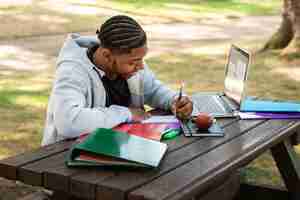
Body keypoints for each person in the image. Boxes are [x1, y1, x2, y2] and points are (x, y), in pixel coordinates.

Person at [42, 15, 193, 146]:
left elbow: (153, 90)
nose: (140, 67)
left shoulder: (129, 62)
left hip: (119, 148)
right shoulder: (72, 71)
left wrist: (174, 101)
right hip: (65, 157)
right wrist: (126, 113)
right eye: (133, 62)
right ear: (107, 55)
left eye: (141, 59)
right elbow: (68, 122)